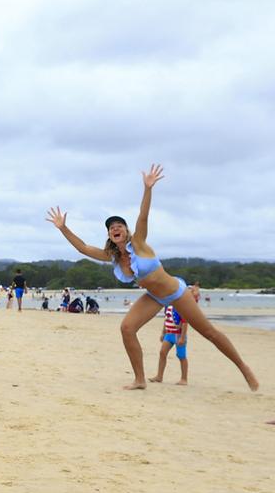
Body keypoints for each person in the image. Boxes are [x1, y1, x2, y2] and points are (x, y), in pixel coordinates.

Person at [47, 164, 259, 391]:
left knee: (209, 332)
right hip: (155, 297)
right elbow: (82, 248)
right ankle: (140, 380)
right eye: (111, 228)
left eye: (119, 225)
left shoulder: (138, 243)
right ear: (109, 235)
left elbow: (143, 217)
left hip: (176, 292)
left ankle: (243, 367)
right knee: (127, 328)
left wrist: (147, 189)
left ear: (126, 231)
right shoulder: (114, 256)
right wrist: (63, 228)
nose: (115, 228)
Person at [150, 281, 200, 386]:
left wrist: (182, 337)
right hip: (169, 333)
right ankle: (159, 376)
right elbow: (166, 318)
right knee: (162, 352)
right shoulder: (168, 304)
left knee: (181, 356)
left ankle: (184, 378)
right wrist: (163, 332)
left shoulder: (181, 305)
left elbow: (185, 321)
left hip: (178, 334)